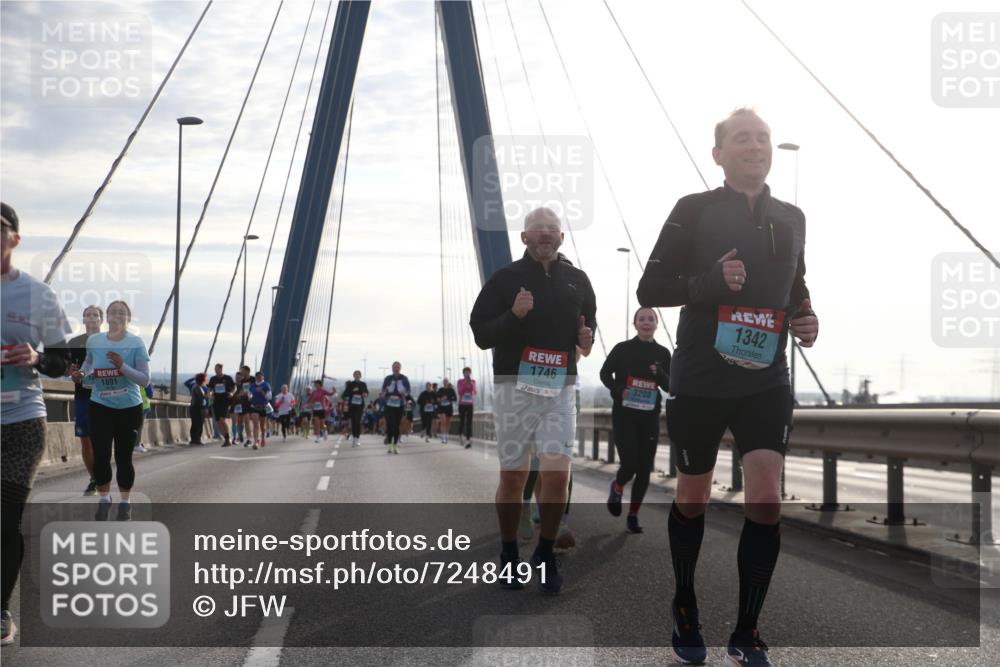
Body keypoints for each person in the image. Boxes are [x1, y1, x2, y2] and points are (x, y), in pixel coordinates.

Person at [637, 108, 818, 666]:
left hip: (765, 379)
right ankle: (685, 605)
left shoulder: (793, 216)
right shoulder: (694, 210)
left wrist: (806, 316)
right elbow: (652, 286)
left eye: (762, 138)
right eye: (742, 139)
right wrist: (710, 283)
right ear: (719, 153)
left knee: (765, 499)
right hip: (701, 378)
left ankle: (746, 631)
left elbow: (797, 282)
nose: (755, 146)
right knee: (693, 495)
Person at [470, 206, 597, 594]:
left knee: (557, 473)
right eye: (537, 229)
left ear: (561, 237)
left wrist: (586, 340)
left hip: (560, 387)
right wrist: (514, 315)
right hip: (514, 385)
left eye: (552, 229)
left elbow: (588, 324)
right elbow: (481, 332)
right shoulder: (505, 279)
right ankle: (509, 554)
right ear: (524, 238)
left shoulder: (577, 280)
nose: (545, 234)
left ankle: (544, 553)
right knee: (515, 475)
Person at [1, 202, 73, 646]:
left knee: (5, 519)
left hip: (21, 422)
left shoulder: (38, 295)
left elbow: (65, 360)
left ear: (14, 238)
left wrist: (37, 357)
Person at [72, 299, 150, 522]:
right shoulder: (95, 341)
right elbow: (88, 366)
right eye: (112, 312)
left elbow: (145, 380)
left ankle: (125, 503)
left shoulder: (136, 343)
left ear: (128, 318)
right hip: (100, 406)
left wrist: (121, 367)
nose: (116, 316)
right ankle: (105, 499)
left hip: (129, 408)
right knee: (102, 455)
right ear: (106, 317)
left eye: (121, 313)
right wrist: (80, 376)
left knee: (123, 457)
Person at [599, 307, 671, 533]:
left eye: (651, 319)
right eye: (642, 318)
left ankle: (633, 515)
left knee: (644, 468)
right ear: (635, 323)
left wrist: (659, 373)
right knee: (629, 463)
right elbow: (604, 373)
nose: (646, 322)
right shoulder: (622, 349)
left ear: (656, 324)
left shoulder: (663, 353)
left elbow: (669, 385)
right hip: (625, 415)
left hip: (649, 416)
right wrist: (619, 390)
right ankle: (618, 486)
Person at [62, 305, 104, 494]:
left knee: (102, 440)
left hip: (105, 397)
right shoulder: (75, 342)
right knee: (85, 440)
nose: (92, 318)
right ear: (83, 320)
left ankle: (103, 475)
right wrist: (71, 373)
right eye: (88, 315)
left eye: (95, 315)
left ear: (101, 320)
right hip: (82, 397)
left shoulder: (109, 341)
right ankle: (94, 478)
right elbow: (68, 369)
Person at [380, 362, 410, 454]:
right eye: (394, 367)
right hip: (389, 404)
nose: (396, 369)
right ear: (392, 368)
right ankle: (389, 445)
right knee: (390, 424)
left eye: (398, 367)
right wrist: (386, 391)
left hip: (399, 403)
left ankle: (395, 445)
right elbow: (383, 392)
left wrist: (404, 392)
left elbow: (408, 391)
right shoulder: (388, 378)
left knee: (397, 425)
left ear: (400, 368)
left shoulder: (404, 378)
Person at [207, 363, 236, 447]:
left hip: (225, 401)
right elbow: (209, 389)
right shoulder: (213, 379)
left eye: (217, 369)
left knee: (222, 420)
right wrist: (209, 395)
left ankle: (228, 438)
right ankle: (226, 438)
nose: (216, 371)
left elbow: (234, 387)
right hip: (216, 401)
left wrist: (232, 393)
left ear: (221, 369)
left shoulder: (227, 378)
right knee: (218, 422)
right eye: (215, 369)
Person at [341, 371, 368, 447]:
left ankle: (357, 439)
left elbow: (366, 393)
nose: (357, 376)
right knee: (353, 422)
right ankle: (354, 439)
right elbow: (345, 394)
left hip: (360, 405)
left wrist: (365, 394)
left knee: (358, 421)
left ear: (360, 376)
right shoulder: (351, 384)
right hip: (352, 405)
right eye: (355, 375)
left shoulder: (363, 384)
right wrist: (352, 392)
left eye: (358, 375)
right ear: (353, 376)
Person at [248, 371, 272, 449]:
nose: (258, 378)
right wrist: (249, 396)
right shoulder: (252, 385)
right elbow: (249, 394)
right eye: (257, 376)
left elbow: (269, 397)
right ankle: (255, 442)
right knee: (255, 424)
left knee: (262, 426)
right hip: (254, 406)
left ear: (262, 377)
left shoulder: (266, 385)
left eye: (259, 376)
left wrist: (261, 391)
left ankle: (263, 438)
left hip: (263, 407)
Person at [456, 367, 476, 448]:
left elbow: (474, 391)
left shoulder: (473, 381)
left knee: (469, 422)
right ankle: (460, 435)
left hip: (470, 403)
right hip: (462, 404)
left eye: (468, 372)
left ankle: (468, 439)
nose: (467, 374)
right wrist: (465, 383)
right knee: (462, 420)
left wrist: (470, 383)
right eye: (466, 372)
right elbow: (460, 392)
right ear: (463, 373)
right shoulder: (460, 381)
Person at [436, 378, 457, 444]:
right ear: (443, 382)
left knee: (448, 423)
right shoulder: (440, 390)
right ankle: (443, 437)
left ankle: (446, 435)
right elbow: (437, 399)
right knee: (443, 422)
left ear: (448, 382)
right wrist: (441, 399)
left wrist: (448, 398)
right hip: (442, 408)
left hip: (449, 408)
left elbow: (455, 398)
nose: (445, 382)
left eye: (446, 381)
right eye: (444, 381)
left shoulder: (451, 390)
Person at [189, 373, 207, 445]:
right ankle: (197, 439)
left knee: (195, 423)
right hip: (197, 408)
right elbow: (200, 398)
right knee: (198, 423)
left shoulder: (195, 387)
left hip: (194, 407)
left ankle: (194, 439)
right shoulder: (197, 388)